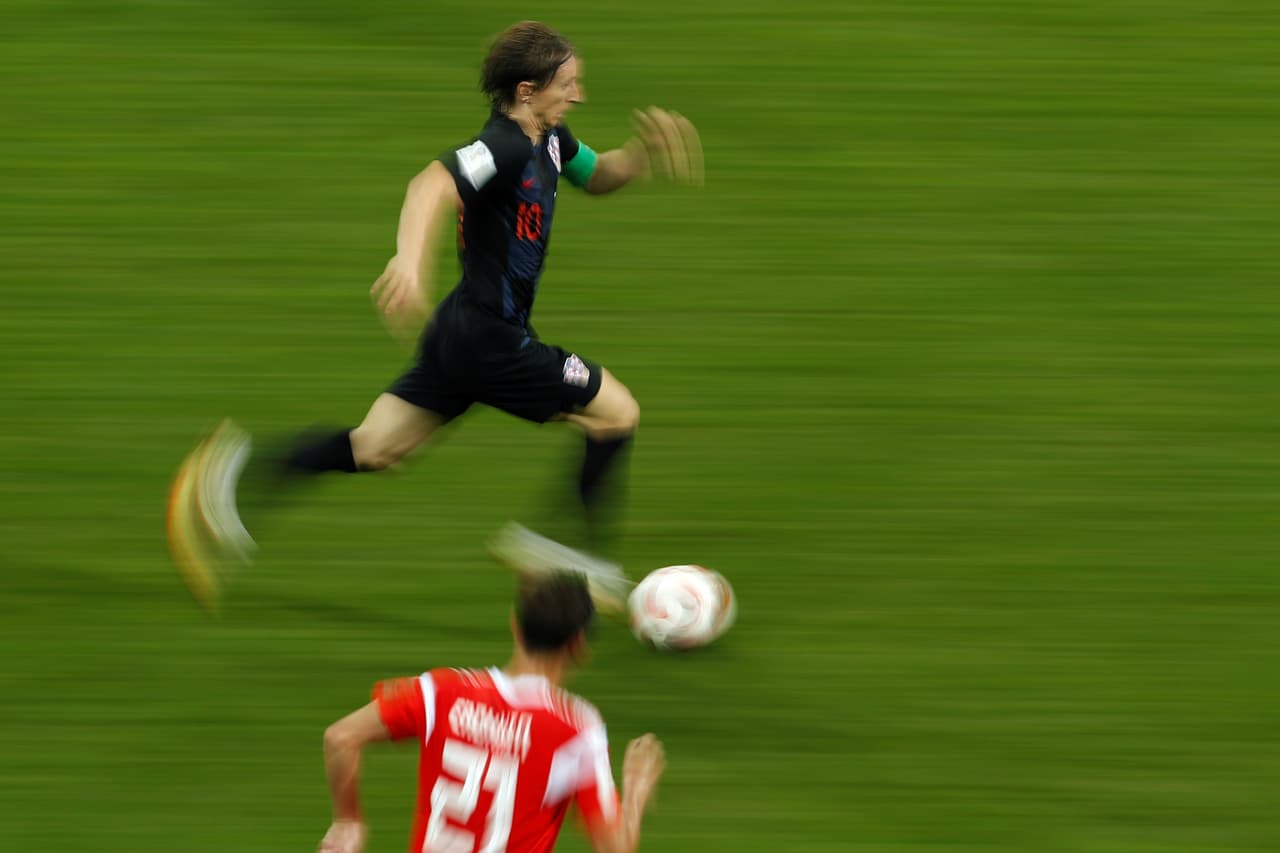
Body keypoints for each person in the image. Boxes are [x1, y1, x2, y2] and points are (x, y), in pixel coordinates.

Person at [166, 20, 703, 613]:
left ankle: (231, 476)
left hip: (461, 330)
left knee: (375, 448)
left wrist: (641, 155)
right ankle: (566, 552)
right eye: (568, 84)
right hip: (493, 342)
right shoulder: (504, 145)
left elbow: (598, 178)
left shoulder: (551, 139)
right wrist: (409, 261)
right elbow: (430, 186)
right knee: (616, 413)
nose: (578, 95)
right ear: (526, 90)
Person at [317, 573, 666, 853]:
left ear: (515, 625)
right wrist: (636, 790)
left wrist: (348, 821)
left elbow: (341, 737)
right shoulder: (577, 729)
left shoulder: (440, 691)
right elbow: (614, 846)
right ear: (577, 646)